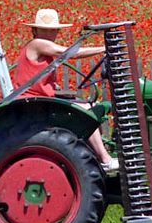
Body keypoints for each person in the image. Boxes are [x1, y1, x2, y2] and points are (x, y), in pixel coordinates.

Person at [12, 9, 118, 173]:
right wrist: (104, 49)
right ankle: (105, 159)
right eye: (45, 29)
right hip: (33, 101)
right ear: (35, 30)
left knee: (90, 105)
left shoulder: (42, 49)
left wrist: (55, 87)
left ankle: (92, 154)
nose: (50, 33)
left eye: (53, 30)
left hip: (40, 98)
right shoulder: (37, 44)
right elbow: (68, 53)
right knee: (87, 110)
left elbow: (38, 78)